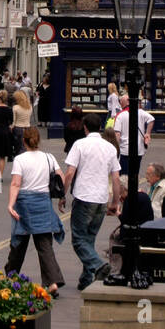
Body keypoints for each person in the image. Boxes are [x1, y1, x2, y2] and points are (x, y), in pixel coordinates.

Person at [61, 115, 122, 290]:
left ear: (85, 127)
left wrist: (63, 194)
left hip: (84, 197)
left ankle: (98, 265)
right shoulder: (110, 148)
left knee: (79, 240)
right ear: (100, 127)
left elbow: (70, 173)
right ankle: (86, 278)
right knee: (89, 240)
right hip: (101, 199)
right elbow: (116, 178)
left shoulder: (80, 145)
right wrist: (115, 202)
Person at [6, 126, 65, 297]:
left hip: (25, 203)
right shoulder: (49, 157)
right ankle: (52, 282)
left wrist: (10, 205)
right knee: (44, 244)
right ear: (38, 140)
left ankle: (10, 278)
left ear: (24, 141)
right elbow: (60, 177)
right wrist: (62, 197)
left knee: (19, 242)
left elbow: (16, 184)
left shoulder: (20, 159)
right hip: (43, 202)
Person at [112, 94, 155, 176]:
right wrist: (148, 133)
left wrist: (116, 149)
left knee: (124, 176)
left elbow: (117, 134)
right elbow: (151, 119)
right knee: (135, 174)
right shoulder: (140, 112)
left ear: (123, 103)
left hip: (125, 150)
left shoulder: (120, 115)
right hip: (138, 150)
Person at [11, 88, 33, 155]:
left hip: (18, 128)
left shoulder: (15, 107)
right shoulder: (29, 106)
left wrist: (11, 128)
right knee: (26, 145)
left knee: (18, 146)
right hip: (27, 127)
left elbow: (14, 121)